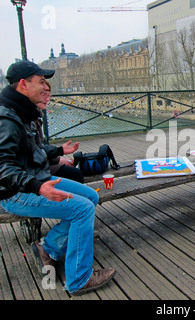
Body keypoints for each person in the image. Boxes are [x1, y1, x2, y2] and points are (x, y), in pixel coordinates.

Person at [0, 60, 116, 295]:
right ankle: (79, 278)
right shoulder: (7, 120)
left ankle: (49, 249)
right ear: (23, 84)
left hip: (38, 179)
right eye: (41, 82)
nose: (46, 87)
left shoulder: (23, 111)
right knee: (82, 209)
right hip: (17, 192)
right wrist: (37, 187)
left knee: (90, 198)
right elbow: (3, 168)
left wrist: (59, 151)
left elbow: (32, 150)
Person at [37, 80, 84, 183]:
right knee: (75, 173)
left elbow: (37, 150)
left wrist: (58, 158)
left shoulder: (35, 115)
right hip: (33, 171)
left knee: (74, 169)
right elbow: (33, 153)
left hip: (40, 164)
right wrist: (59, 154)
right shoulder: (26, 118)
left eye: (49, 95)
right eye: (44, 94)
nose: (48, 98)